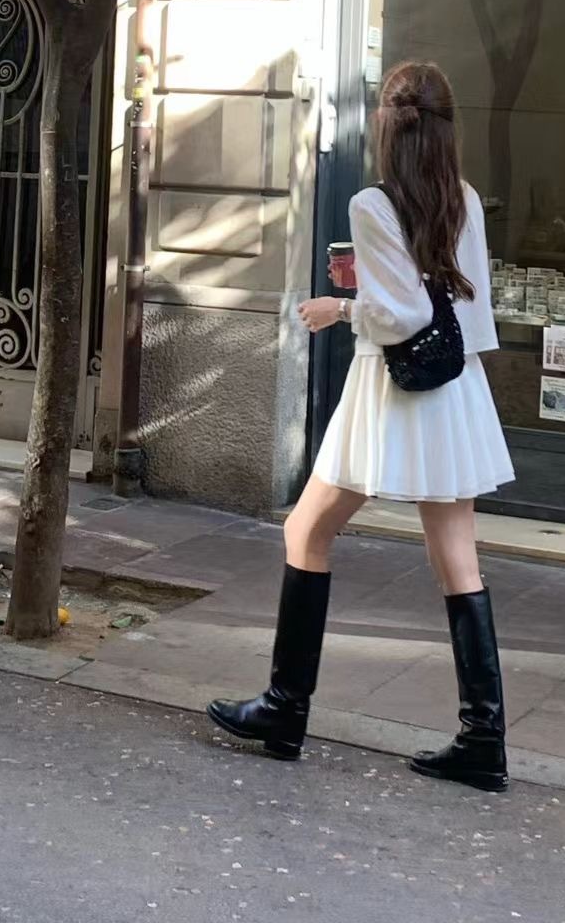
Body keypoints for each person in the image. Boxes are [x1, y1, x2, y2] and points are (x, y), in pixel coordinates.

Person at [206, 61, 515, 793]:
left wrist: (340, 308)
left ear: (386, 124)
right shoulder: (465, 198)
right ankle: (483, 739)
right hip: (456, 388)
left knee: (306, 530)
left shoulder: (373, 203)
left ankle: (285, 709)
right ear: (448, 127)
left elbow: (401, 314)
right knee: (458, 559)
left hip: (390, 390)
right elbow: (469, 314)